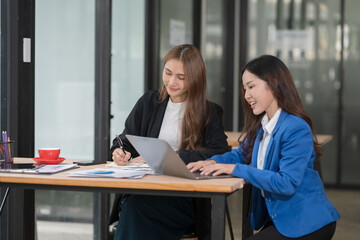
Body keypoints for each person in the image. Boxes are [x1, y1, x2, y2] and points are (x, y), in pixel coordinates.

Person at [188, 55, 341, 240]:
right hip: (279, 220)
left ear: (274, 83)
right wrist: (211, 162)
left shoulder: (296, 128)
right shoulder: (263, 123)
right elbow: (240, 154)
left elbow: (287, 183)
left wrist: (238, 170)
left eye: (251, 87)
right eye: (244, 89)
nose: (246, 95)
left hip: (306, 222)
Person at [109, 44, 229, 240]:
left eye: (181, 77)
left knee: (136, 210)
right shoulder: (149, 102)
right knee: (136, 207)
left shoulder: (208, 112)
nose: (172, 82)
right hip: (144, 188)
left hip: (182, 197)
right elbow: (125, 140)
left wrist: (173, 157)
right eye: (168, 73)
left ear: (195, 79)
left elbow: (220, 154)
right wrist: (119, 152)